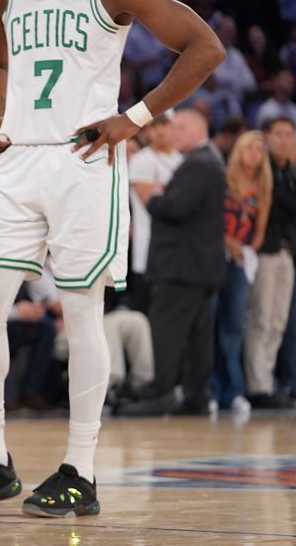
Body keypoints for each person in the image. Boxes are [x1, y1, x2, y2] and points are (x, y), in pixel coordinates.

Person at [0, 0, 222, 519]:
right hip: (19, 158)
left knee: (82, 313)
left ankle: (81, 470)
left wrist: (133, 118)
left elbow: (205, 48)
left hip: (85, 159)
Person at [118, 109, 226, 416]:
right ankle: (196, 396)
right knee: (197, 335)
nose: (173, 134)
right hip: (199, 266)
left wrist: (153, 199)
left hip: (180, 265)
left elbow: (173, 208)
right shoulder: (208, 162)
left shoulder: (197, 164)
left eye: (179, 129)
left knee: (166, 329)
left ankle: (161, 391)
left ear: (195, 131)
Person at [245, 117, 296, 409]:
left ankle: (267, 379)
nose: (285, 139)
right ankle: (257, 385)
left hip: (287, 251)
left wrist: (288, 201)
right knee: (261, 318)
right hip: (265, 251)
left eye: (289, 134)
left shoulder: (295, 172)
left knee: (278, 322)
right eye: (279, 134)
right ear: (268, 137)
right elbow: (289, 204)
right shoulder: (263, 168)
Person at [213, 130, 271, 416]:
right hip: (216, 256)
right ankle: (212, 389)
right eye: (251, 148)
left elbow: (260, 232)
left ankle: (233, 390)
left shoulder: (263, 186)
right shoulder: (223, 179)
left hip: (241, 263)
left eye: (261, 150)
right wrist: (228, 241)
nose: (255, 155)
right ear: (240, 150)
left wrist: (247, 248)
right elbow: (211, 218)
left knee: (234, 326)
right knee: (212, 324)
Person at [127, 112, 182, 313]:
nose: (159, 130)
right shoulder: (141, 160)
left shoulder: (183, 159)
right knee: (147, 314)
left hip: (177, 251)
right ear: (147, 130)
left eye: (164, 125)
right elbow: (151, 203)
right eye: (153, 126)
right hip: (148, 250)